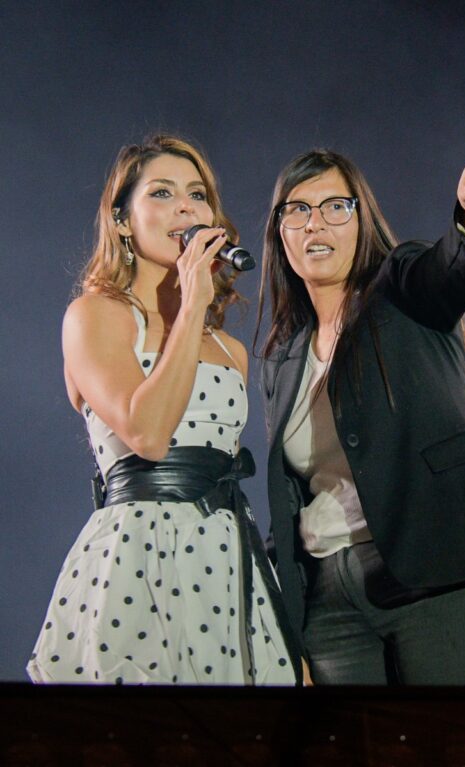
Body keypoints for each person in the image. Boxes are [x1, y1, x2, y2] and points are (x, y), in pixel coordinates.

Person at [258, 149, 465, 685]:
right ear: (279, 232)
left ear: (362, 219)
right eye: (297, 210)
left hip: (445, 571)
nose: (315, 224)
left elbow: (455, 270)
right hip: (332, 604)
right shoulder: (282, 358)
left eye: (335, 207)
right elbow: (291, 498)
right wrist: (282, 617)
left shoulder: (400, 285)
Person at [28, 135, 300, 684]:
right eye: (161, 193)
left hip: (226, 560)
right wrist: (193, 302)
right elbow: (149, 434)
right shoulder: (95, 315)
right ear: (122, 220)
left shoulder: (229, 350)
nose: (185, 208)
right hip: (138, 555)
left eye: (197, 195)